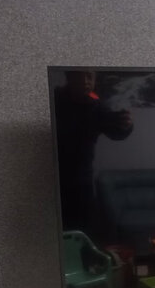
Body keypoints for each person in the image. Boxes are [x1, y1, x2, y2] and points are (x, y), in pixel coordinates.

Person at [54, 71, 133, 232]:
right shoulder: (53, 99)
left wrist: (126, 126)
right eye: (79, 76)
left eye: (89, 76)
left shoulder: (96, 107)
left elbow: (116, 133)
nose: (85, 81)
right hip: (50, 176)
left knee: (81, 230)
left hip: (81, 179)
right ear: (69, 78)